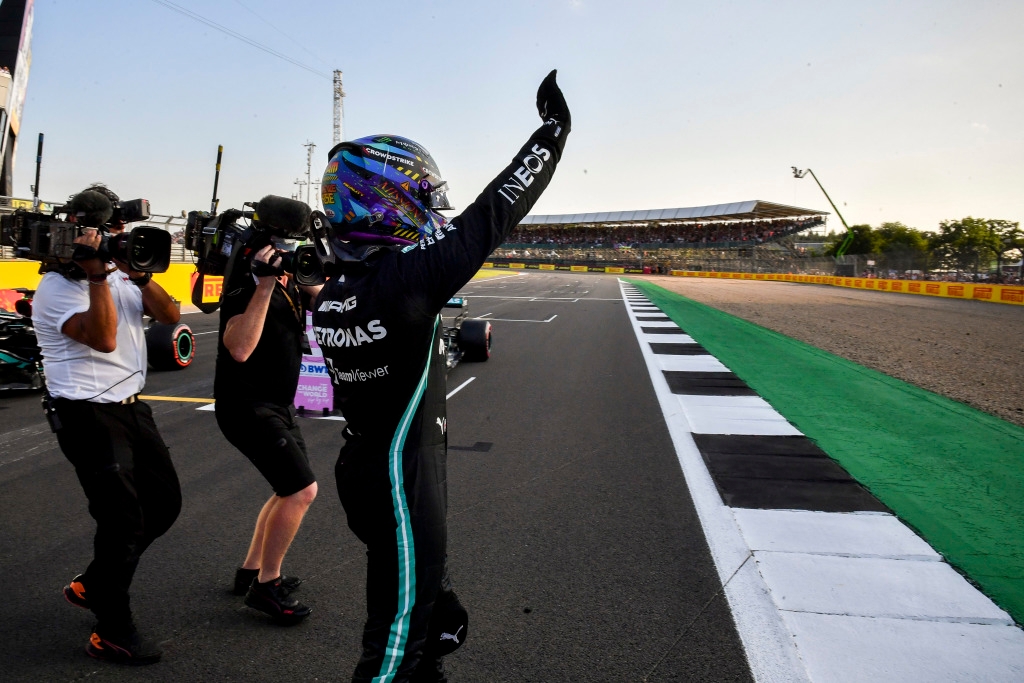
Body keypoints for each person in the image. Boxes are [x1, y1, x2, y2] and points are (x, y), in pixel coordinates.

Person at [313, 70, 570, 681]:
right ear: (387, 199)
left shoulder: (338, 289)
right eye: (423, 196)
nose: (433, 209)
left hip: (370, 469)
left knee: (431, 626)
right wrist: (552, 135)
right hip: (402, 480)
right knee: (392, 658)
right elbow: (492, 214)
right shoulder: (404, 281)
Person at [32, 186, 183, 664]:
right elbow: (102, 338)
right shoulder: (55, 288)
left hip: (132, 405)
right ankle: (111, 631)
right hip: (86, 413)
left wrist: (137, 275)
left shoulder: (121, 275)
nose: (115, 238)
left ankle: (95, 583)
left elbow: (170, 315)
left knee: (164, 504)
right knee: (121, 522)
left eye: (117, 230)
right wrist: (98, 275)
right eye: (106, 232)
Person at [214, 208, 322, 625]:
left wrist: (305, 277)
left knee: (286, 489)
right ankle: (266, 586)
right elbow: (240, 348)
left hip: (278, 404)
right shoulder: (246, 285)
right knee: (300, 491)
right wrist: (263, 284)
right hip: (247, 406)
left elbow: (325, 301)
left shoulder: (289, 282)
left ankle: (251, 571)